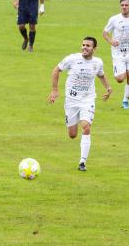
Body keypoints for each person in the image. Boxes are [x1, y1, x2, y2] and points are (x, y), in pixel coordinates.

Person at [48, 37, 113, 171]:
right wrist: (54, 90)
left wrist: (108, 87)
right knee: (72, 135)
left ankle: (82, 162)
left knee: (86, 126)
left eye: (88, 46)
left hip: (87, 100)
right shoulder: (72, 59)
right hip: (71, 101)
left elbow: (100, 74)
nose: (84, 47)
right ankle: (75, 125)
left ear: (94, 49)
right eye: (83, 45)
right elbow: (56, 70)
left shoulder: (97, 62)